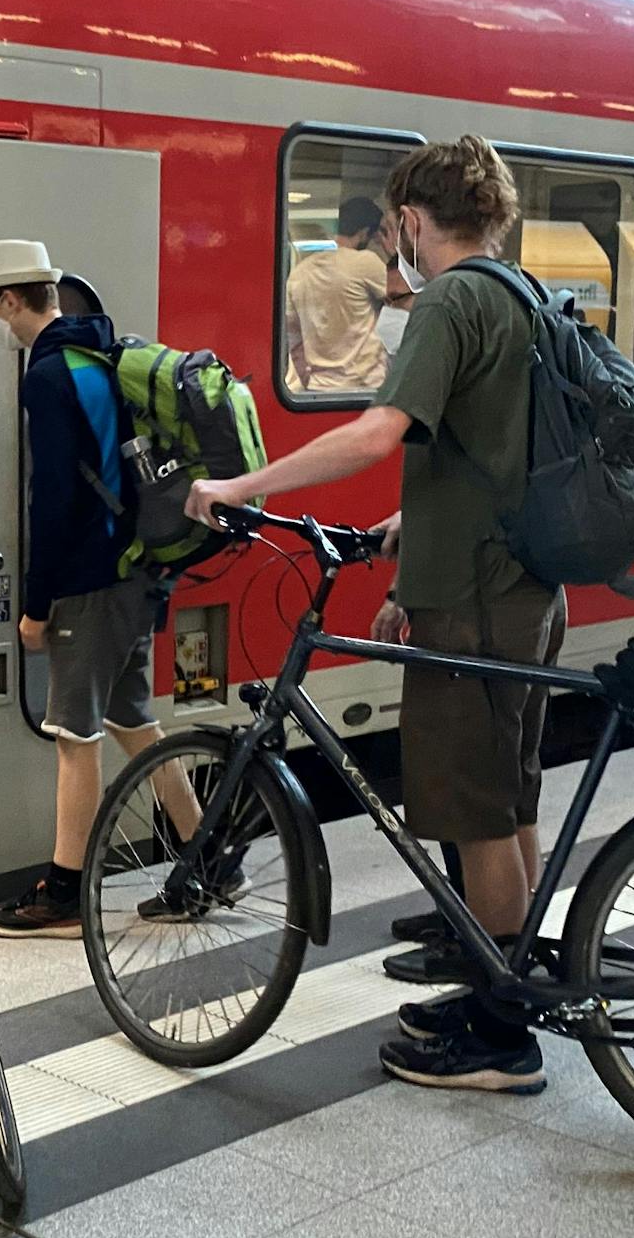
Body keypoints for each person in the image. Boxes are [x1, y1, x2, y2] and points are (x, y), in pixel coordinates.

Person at [190, 138, 561, 1095]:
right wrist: (413, 523)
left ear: (409, 220)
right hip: (522, 585)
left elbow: (376, 431)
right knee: (508, 794)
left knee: (474, 810)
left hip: (475, 601)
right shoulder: (525, 296)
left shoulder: (451, 299)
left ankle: (500, 1036)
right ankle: (500, 969)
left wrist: (244, 482)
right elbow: (490, 451)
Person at [0, 240, 173, 939]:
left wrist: (34, 605)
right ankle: (208, 856)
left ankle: (64, 894)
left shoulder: (50, 373)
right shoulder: (102, 351)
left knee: (73, 737)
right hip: (135, 569)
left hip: (89, 579)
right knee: (133, 722)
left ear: (12, 301)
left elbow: (52, 502)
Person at [286, 196, 389, 393]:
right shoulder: (366, 263)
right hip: (366, 388)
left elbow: (294, 340)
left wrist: (309, 380)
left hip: (319, 388)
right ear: (365, 233)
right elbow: (405, 302)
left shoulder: (300, 273)